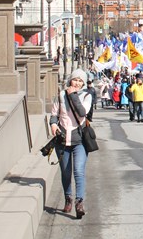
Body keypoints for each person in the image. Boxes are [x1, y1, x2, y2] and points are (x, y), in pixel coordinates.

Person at [49, 69, 93, 219]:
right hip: (62, 140)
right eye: (75, 80)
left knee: (79, 171)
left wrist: (73, 95)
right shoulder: (61, 95)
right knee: (66, 173)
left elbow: (82, 112)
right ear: (70, 80)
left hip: (79, 140)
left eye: (81, 81)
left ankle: (79, 202)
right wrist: (53, 125)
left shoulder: (87, 96)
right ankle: (68, 197)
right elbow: (54, 114)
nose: (78, 83)